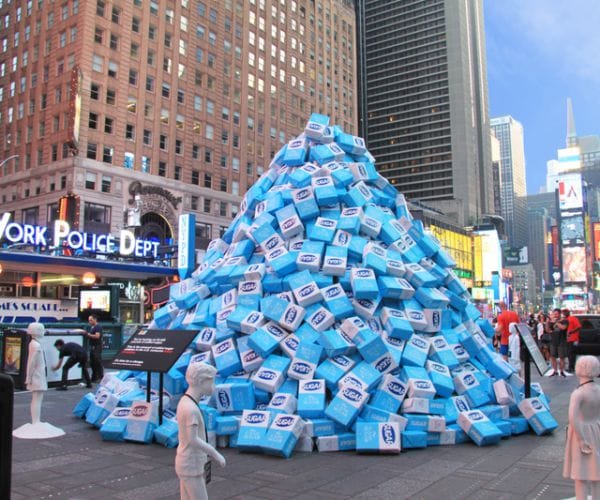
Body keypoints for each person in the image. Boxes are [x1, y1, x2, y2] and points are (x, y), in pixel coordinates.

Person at [176, 362, 226, 500]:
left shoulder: (186, 402)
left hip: (188, 462)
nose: (214, 386)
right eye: (212, 381)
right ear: (201, 381)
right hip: (190, 464)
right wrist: (215, 453)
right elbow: (193, 439)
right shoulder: (190, 409)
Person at [563, 356, 600, 500]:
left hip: (581, 431)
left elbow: (573, 417)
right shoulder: (598, 389)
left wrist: (581, 439)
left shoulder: (578, 393)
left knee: (580, 473)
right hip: (596, 428)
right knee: (597, 470)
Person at [25, 322, 48, 423]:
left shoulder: (33, 344)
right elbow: (32, 363)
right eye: (42, 330)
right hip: (37, 375)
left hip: (36, 374)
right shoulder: (36, 346)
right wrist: (28, 377)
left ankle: (36, 420)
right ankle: (36, 421)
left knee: (37, 398)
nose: (44, 332)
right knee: (37, 398)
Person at [547, 308, 568, 377]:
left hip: (561, 341)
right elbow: (548, 330)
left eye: (556, 314)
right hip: (553, 341)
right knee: (553, 357)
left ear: (559, 314)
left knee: (562, 357)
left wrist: (557, 322)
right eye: (554, 314)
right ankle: (555, 370)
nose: (555, 315)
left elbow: (563, 328)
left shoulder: (564, 321)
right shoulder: (551, 321)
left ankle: (562, 371)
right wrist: (548, 322)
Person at [563, 308, 582, 373]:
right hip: (568, 339)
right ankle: (571, 367)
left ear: (568, 312)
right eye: (564, 312)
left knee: (571, 354)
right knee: (569, 354)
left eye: (566, 312)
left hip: (573, 339)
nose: (564, 313)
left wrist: (572, 331)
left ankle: (571, 367)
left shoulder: (573, 318)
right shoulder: (565, 320)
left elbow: (579, 326)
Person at [87, 314, 104, 382]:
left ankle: (101, 377)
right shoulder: (92, 327)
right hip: (93, 346)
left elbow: (97, 336)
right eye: (89, 320)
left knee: (97, 362)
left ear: (95, 319)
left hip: (97, 346)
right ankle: (94, 377)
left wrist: (88, 335)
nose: (89, 322)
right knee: (92, 362)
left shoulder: (98, 327)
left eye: (91, 320)